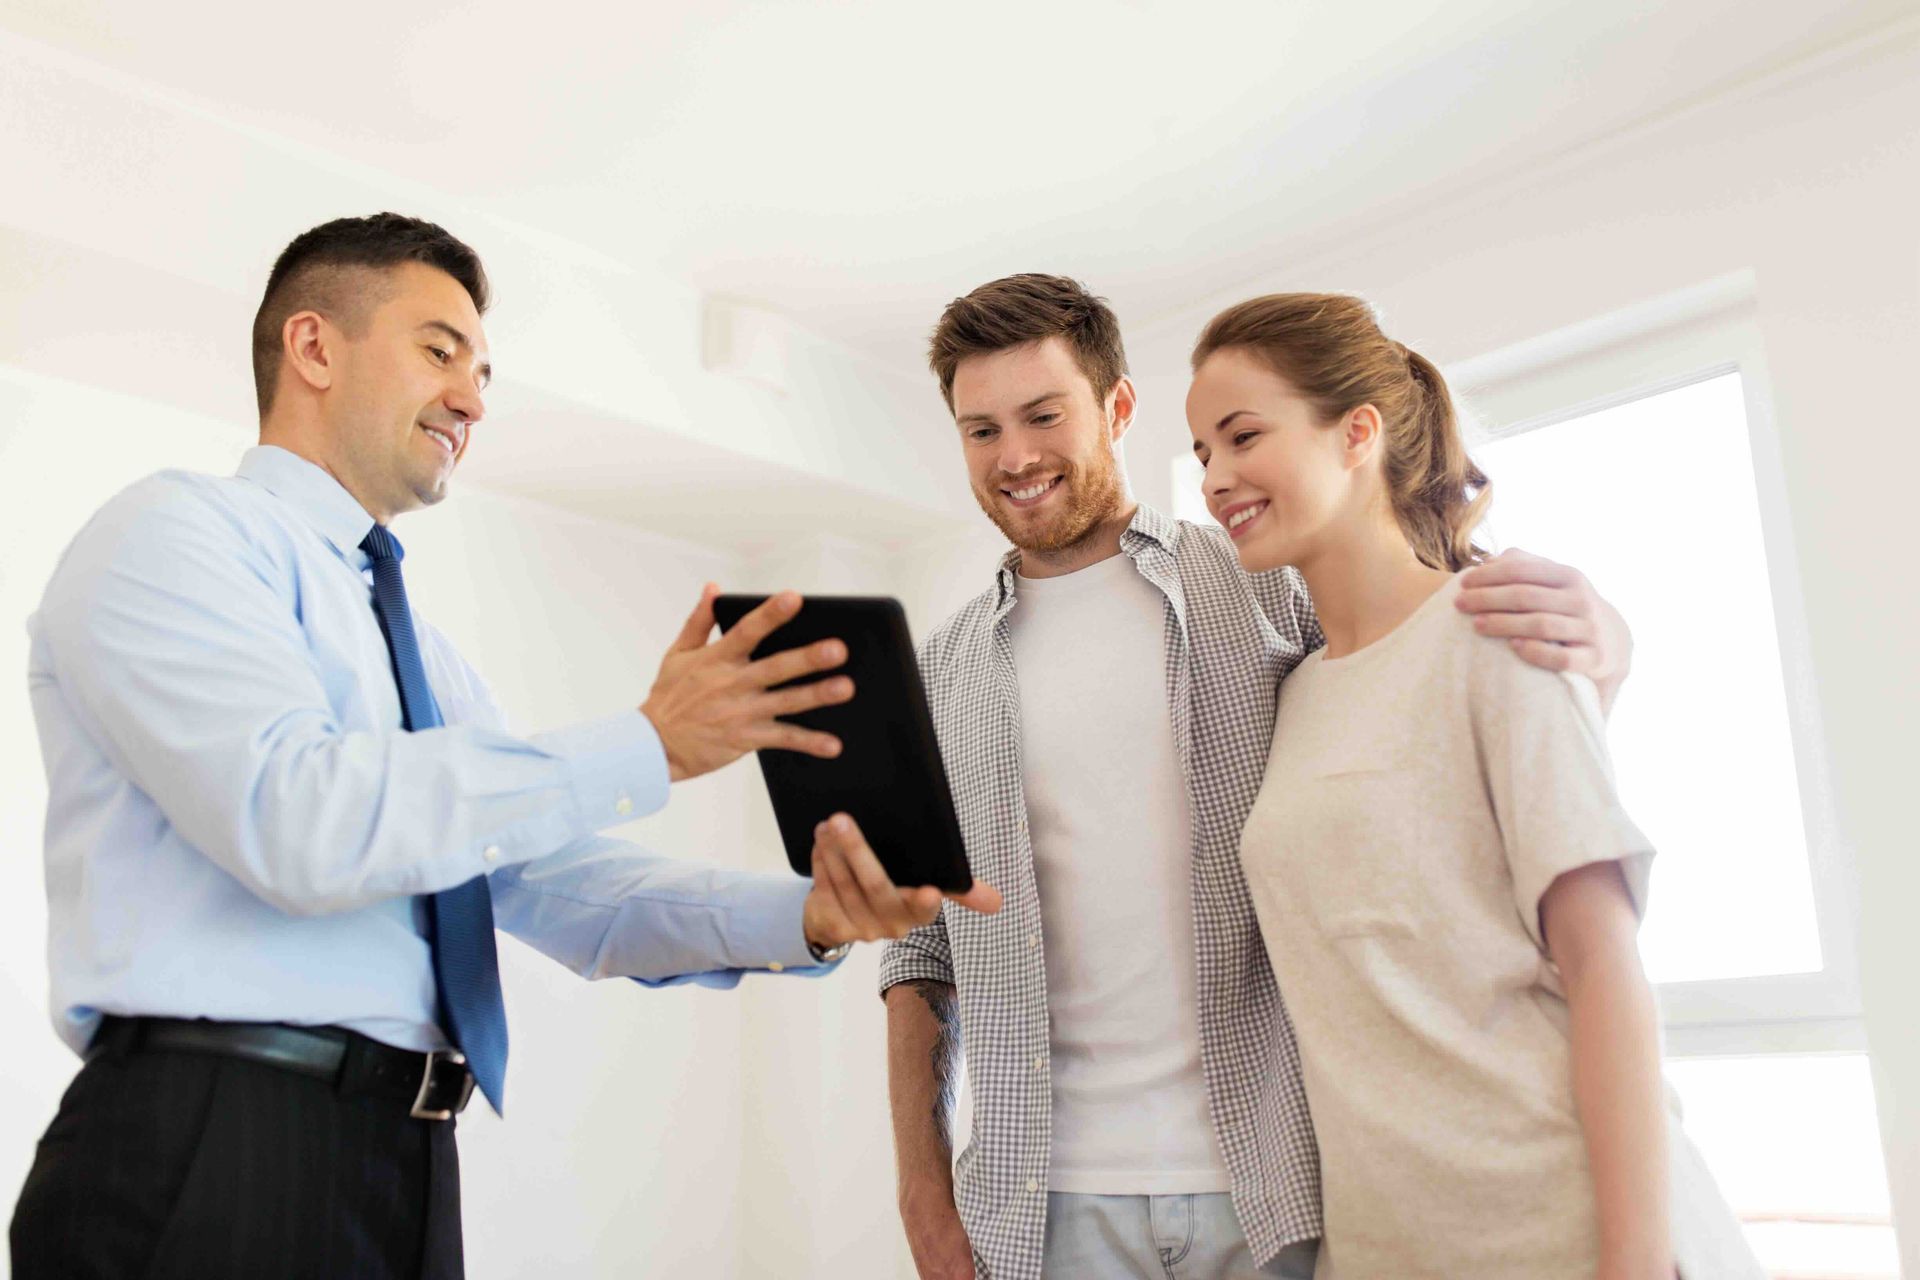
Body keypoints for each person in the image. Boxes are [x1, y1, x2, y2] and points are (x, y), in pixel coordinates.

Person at [9, 212, 1000, 1280]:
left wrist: (807, 915)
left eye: (484, 370)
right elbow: (294, 817)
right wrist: (646, 744)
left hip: (403, 1155)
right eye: (440, 350)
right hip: (216, 1140)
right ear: (313, 347)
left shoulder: (422, 651)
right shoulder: (171, 533)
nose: (475, 399)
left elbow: (562, 885)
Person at [865, 274, 1633, 1280]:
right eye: (981, 429)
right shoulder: (942, 667)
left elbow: (1426, 659)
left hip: (1284, 1179)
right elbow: (917, 940)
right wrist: (922, 1187)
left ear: (1118, 409)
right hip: (1041, 1207)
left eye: (1043, 415)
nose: (1015, 455)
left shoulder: (1265, 572)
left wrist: (1609, 639)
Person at [1187, 292, 1761, 1279]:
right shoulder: (1289, 692)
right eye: (1200, 451)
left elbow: (1604, 967)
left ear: (1356, 432)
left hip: (1564, 1226)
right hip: (1390, 1245)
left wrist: (1631, 1260)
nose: (1216, 477)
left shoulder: (1498, 631)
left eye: (1242, 436)